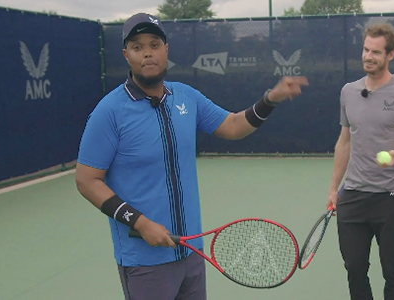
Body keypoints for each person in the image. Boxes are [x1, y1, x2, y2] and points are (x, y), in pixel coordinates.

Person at [74, 13, 309, 300]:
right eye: (137, 47)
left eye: (154, 44)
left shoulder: (185, 97)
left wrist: (270, 99)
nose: (147, 53)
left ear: (166, 50)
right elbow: (87, 180)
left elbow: (233, 126)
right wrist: (141, 223)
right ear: (126, 55)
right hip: (145, 261)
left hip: (192, 253)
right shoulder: (108, 111)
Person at [327, 22, 394, 300]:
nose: (368, 57)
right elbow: (344, 141)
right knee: (355, 268)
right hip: (353, 197)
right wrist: (335, 189)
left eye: (375, 52)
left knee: (393, 271)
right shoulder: (348, 91)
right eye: (365, 50)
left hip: (391, 198)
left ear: (390, 55)